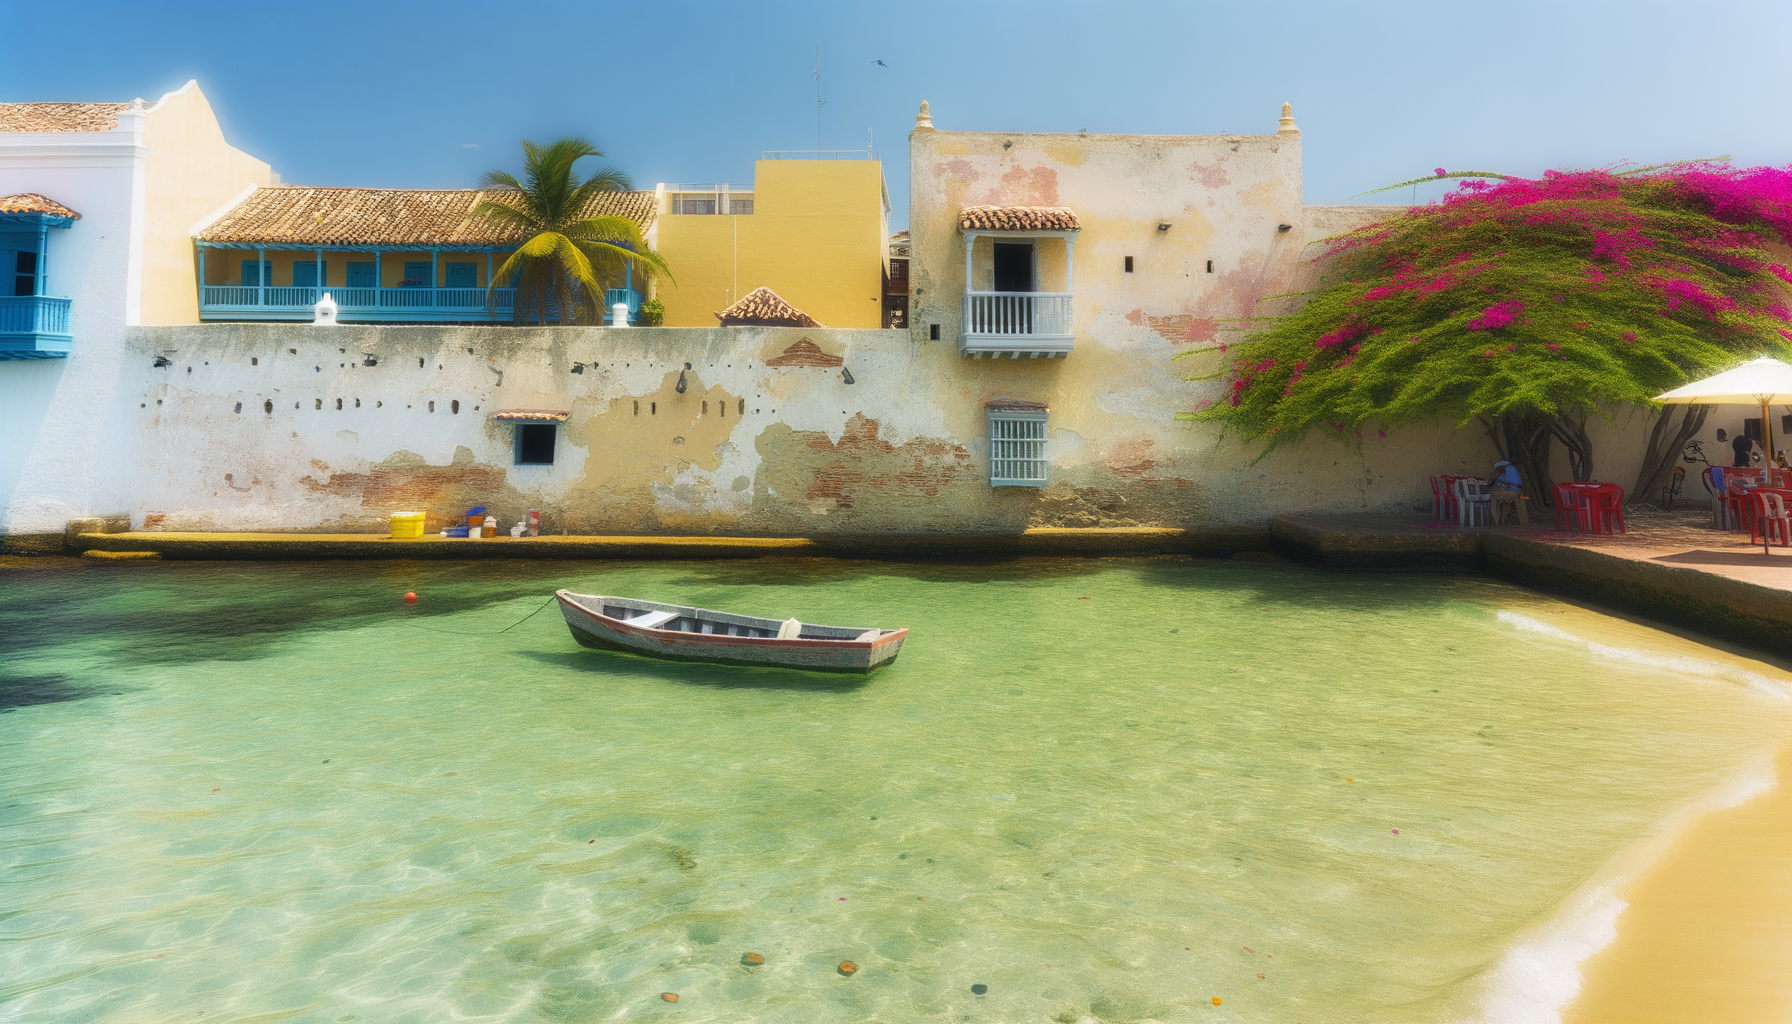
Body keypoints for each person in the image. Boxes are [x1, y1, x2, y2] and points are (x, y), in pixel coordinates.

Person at [1489, 460, 1527, 525]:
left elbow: (1498, 483)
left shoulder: (1506, 471)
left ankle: (1495, 522)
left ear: (1501, 467)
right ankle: (1503, 520)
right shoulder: (1515, 470)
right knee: (1505, 502)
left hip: (1510, 492)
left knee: (1493, 496)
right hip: (1517, 492)